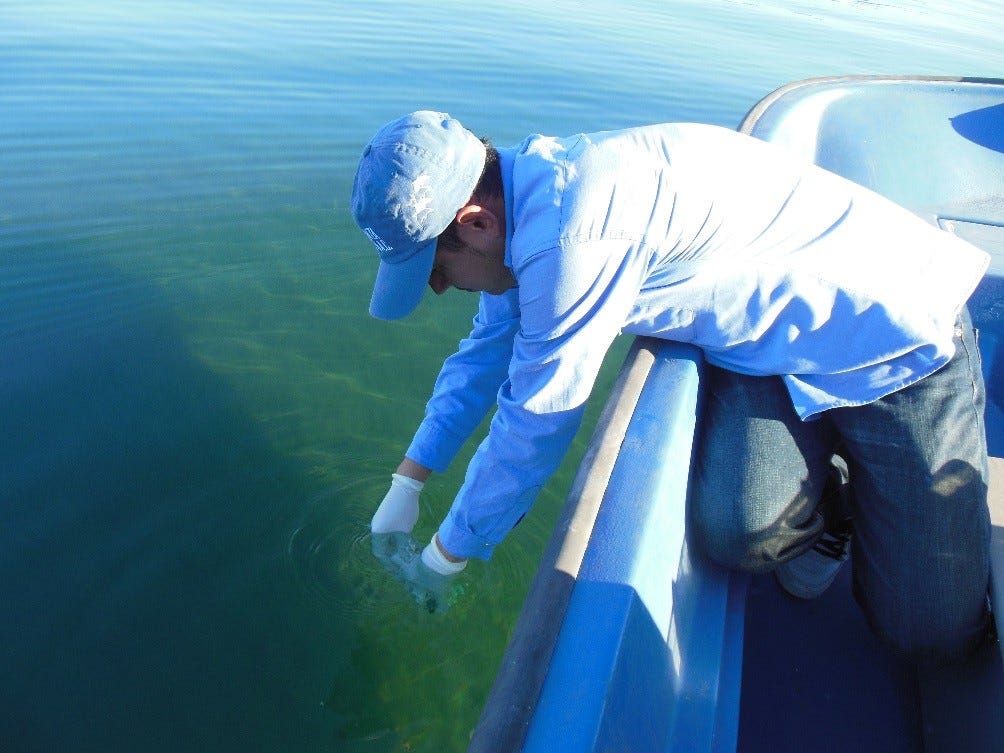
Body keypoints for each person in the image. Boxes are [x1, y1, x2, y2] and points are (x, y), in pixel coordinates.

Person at [350, 110, 992, 663]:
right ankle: (837, 510)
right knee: (738, 532)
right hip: (767, 350)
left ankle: (867, 490)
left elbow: (534, 424)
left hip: (897, 342)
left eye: (435, 272)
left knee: (928, 633)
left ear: (474, 223)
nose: (439, 290)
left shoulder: (572, 238)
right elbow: (481, 358)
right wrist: (410, 479)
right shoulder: (520, 200)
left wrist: (447, 555)